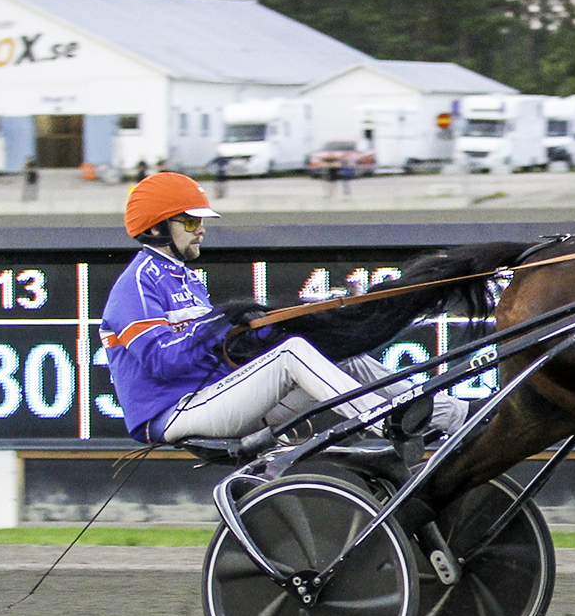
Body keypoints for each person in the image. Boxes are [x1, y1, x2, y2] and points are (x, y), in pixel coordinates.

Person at [100, 171, 468, 446]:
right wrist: (219, 321)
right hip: (172, 413)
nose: (201, 231)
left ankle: (456, 416)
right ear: (156, 229)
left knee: (340, 356)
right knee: (292, 354)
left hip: (217, 398)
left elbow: (212, 347)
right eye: (192, 221)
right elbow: (162, 362)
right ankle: (382, 422)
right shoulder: (137, 284)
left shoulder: (186, 279)